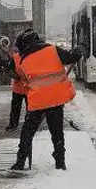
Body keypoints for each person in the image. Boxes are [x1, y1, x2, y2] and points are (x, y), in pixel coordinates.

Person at [8, 29, 82, 172]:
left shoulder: (24, 60)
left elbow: (22, 78)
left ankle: (20, 161)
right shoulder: (52, 50)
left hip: (37, 101)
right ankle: (60, 162)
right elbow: (71, 57)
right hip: (55, 99)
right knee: (57, 132)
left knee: (27, 132)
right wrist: (78, 51)